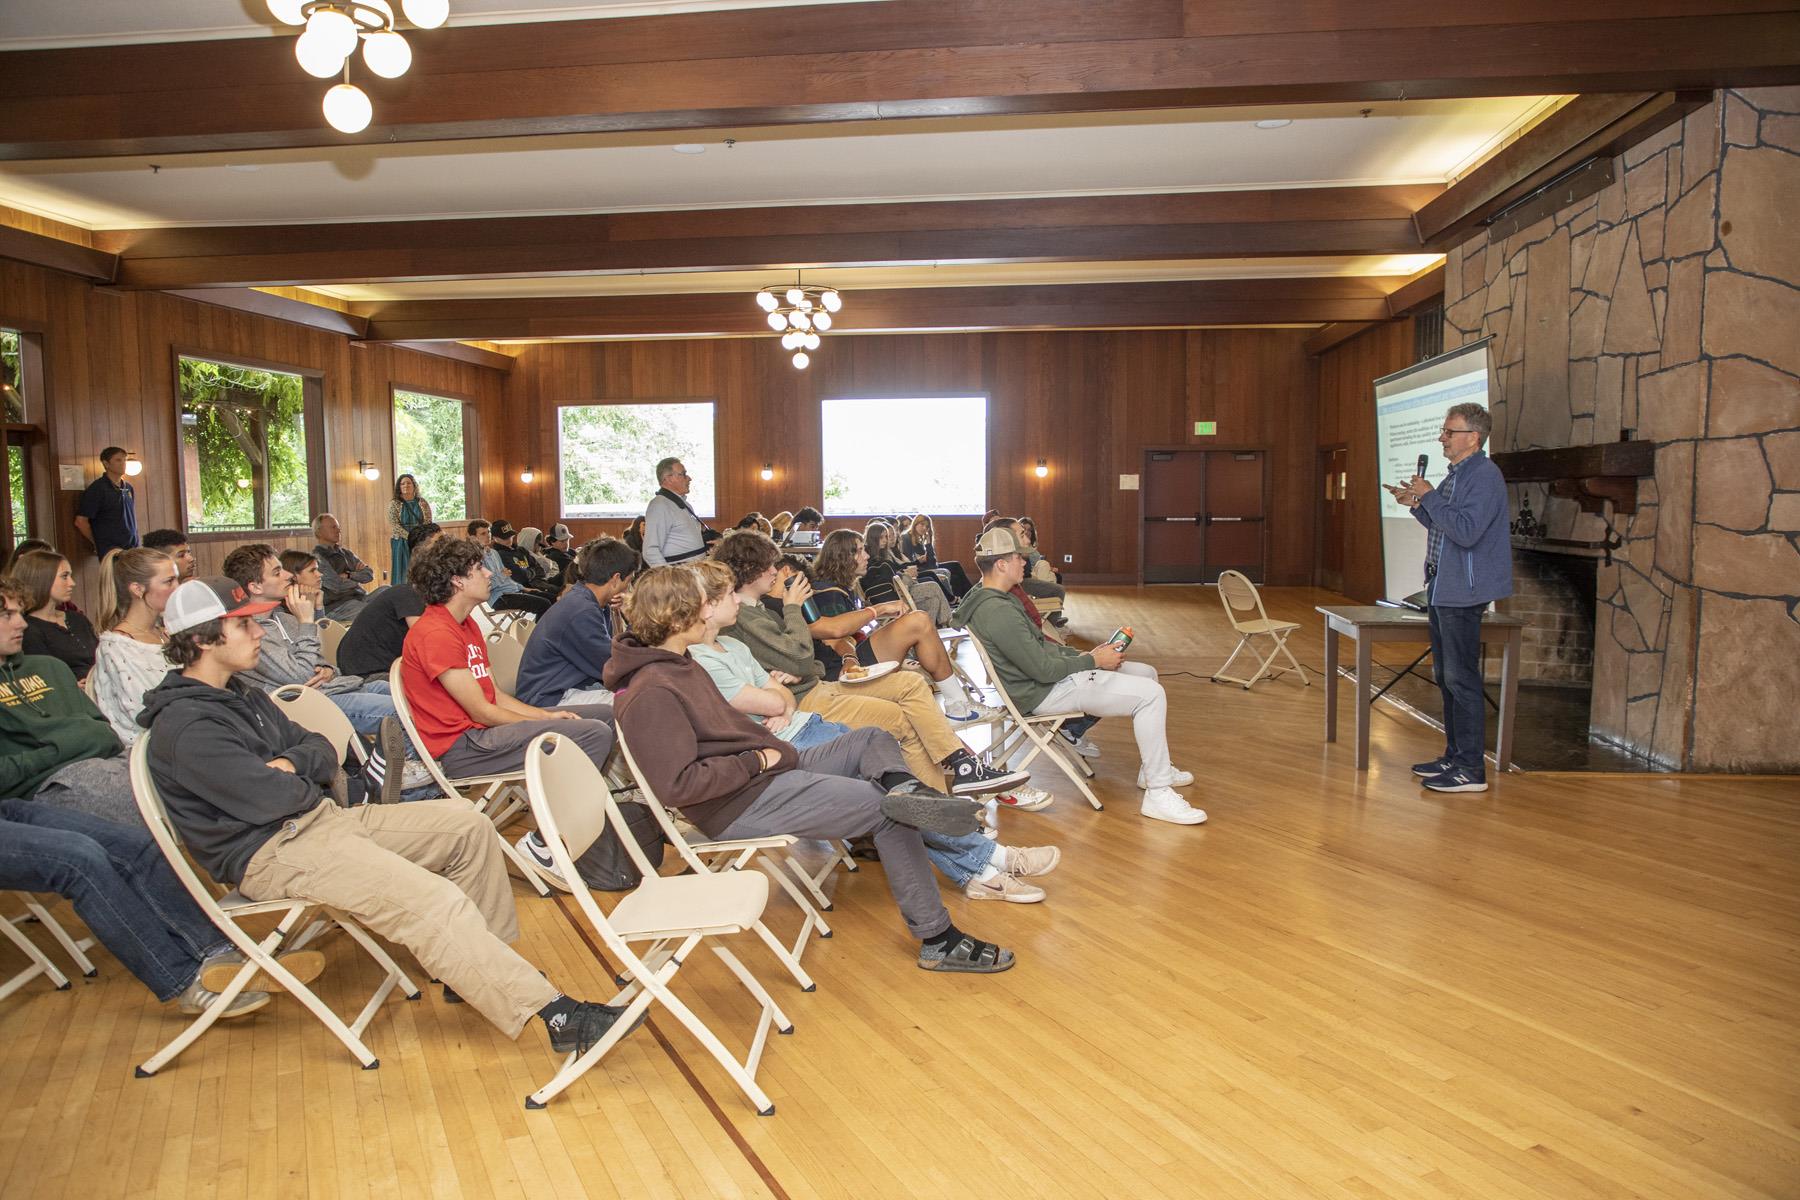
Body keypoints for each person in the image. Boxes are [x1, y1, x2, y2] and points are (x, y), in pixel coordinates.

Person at [140, 575, 641, 1058]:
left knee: (468, 825)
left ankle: (477, 972)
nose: (258, 632)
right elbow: (272, 798)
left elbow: (321, 747)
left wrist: (294, 763)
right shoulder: (187, 727)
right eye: (244, 624)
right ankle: (556, 1015)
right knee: (430, 898)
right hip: (273, 851)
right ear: (202, 640)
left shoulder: (240, 695)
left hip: (318, 819)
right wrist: (301, 770)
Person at [604, 566, 1016, 972]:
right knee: (888, 811)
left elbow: (734, 729)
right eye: (703, 604)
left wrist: (767, 752)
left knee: (870, 739)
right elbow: (678, 786)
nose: (711, 610)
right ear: (677, 616)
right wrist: (756, 759)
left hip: (764, 774)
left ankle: (909, 791)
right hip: (736, 802)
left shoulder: (678, 663)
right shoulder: (652, 690)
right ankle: (938, 939)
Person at [688, 559, 1057, 901]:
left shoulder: (731, 644)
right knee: (889, 791)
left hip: (806, 723)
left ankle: (977, 851)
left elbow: (785, 695)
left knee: (897, 774)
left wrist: (780, 696)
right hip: (791, 744)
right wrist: (779, 689)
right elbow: (786, 682)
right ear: (707, 607)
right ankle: (992, 859)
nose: (736, 599)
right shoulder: (703, 660)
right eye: (729, 594)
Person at [712, 531, 1031, 798]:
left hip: (819, 684)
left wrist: (823, 662)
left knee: (911, 683)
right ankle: (939, 804)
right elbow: (802, 655)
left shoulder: (759, 610)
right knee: (903, 719)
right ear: (752, 570)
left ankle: (961, 766)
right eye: (770, 565)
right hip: (809, 699)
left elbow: (806, 658)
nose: (775, 571)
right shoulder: (754, 615)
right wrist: (794, 608)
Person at [398, 536, 618, 884]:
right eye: (478, 568)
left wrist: (545, 716)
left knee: (607, 715)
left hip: (482, 735)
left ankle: (582, 817)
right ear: (457, 581)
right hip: (462, 747)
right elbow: (482, 711)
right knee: (592, 733)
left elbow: (495, 696)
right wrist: (548, 719)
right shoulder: (435, 633)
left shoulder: (465, 625)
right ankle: (544, 844)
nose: (490, 573)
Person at [955, 525, 1205, 826]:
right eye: (1020, 557)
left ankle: (1153, 770)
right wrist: (1092, 660)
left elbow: (1041, 651)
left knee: (1147, 674)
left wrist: (1087, 656)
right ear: (1001, 564)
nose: (1025, 562)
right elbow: (1043, 670)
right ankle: (1159, 792)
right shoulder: (997, 611)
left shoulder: (996, 597)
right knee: (1151, 695)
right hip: (1044, 693)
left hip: (1050, 682)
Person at [1388, 401, 1512, 795]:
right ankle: (1454, 756)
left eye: (1448, 431)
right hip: (1443, 586)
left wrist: (1429, 496)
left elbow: (1467, 531)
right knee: (1445, 676)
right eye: (1443, 431)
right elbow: (1442, 523)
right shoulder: (1457, 474)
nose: (1441, 438)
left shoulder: (1484, 476)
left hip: (1463, 591)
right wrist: (1416, 503)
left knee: (1461, 679)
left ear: (1472, 438)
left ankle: (1471, 769)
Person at [808, 530, 992, 720]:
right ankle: (957, 704)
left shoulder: (839, 586)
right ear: (843, 557)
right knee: (918, 621)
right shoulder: (827, 593)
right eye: (860, 551)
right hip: (841, 668)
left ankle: (958, 703)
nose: (867, 556)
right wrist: (878, 610)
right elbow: (834, 638)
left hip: (851, 657)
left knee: (919, 622)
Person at [0, 578, 136, 825]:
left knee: (179, 786)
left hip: (108, 764)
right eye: (7, 615)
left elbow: (106, 736)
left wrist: (59, 746)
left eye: (19, 612)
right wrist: (62, 748)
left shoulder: (52, 667)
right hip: (47, 787)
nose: (22, 623)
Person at [514, 536, 636, 709]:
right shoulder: (581, 610)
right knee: (637, 702)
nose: (628, 589)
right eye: (629, 582)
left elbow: (611, 654)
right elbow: (613, 667)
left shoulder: (589, 601)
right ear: (616, 579)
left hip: (569, 684)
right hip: (549, 697)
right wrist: (634, 620)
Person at [90, 547, 180, 745]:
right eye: (169, 581)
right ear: (138, 589)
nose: (177, 588)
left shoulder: (167, 633)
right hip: (151, 743)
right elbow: (142, 712)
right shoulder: (117, 646)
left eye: (177, 579)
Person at [334, 523, 437, 679]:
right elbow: (429, 645)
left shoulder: (418, 595)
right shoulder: (409, 594)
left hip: (381, 667)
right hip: (367, 673)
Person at [12, 549, 99, 680]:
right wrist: (73, 685)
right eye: (64, 576)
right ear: (42, 579)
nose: (72, 583)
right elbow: (43, 676)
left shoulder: (77, 618)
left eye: (70, 576)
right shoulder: (29, 629)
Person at [861, 520, 951, 625]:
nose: (885, 540)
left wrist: (905, 572)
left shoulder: (883, 554)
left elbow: (896, 570)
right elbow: (887, 577)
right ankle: (950, 621)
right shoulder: (869, 558)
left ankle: (926, 630)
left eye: (886, 537)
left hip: (900, 589)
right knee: (933, 586)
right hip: (892, 596)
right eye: (881, 537)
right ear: (873, 538)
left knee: (933, 600)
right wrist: (904, 574)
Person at [467, 520, 551, 617]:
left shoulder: (494, 553)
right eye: (483, 533)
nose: (488, 535)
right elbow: (485, 586)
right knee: (544, 604)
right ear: (473, 538)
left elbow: (508, 578)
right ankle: (541, 627)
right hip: (499, 597)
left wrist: (523, 588)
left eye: (489, 532)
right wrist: (502, 575)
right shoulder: (475, 559)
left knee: (551, 598)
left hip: (513, 590)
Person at [641, 457, 715, 567]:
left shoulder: (682, 504)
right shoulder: (659, 505)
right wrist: (667, 576)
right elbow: (650, 551)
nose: (689, 478)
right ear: (669, 478)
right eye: (683, 474)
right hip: (679, 574)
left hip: (694, 571)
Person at [311, 513, 380, 621]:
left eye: (338, 527)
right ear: (319, 532)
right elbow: (336, 585)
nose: (338, 530)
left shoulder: (347, 553)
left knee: (388, 591)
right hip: (338, 606)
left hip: (360, 598)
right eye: (333, 527)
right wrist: (357, 577)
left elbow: (369, 575)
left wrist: (349, 575)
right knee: (371, 611)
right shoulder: (317, 558)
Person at [73, 447, 138, 559]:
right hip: (111, 550)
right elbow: (80, 521)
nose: (123, 464)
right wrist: (97, 543)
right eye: (118, 460)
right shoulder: (98, 489)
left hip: (131, 547)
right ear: (106, 463)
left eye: (125, 460)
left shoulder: (128, 488)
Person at [897, 513, 971, 599]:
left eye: (927, 527)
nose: (924, 528)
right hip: (920, 570)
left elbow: (933, 564)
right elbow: (911, 564)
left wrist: (928, 544)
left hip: (927, 567)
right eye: (922, 524)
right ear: (915, 524)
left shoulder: (920, 538)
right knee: (954, 576)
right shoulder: (906, 538)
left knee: (955, 566)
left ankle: (967, 596)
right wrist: (921, 560)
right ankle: (965, 596)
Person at [489, 521, 560, 601]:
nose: (509, 540)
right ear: (494, 538)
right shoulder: (499, 554)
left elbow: (540, 570)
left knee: (563, 589)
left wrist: (528, 573)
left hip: (538, 582)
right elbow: (520, 576)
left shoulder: (521, 550)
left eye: (510, 536)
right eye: (505, 538)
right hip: (524, 588)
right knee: (555, 598)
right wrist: (532, 571)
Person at [387, 473, 433, 589]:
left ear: (414, 485)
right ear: (399, 487)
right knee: (403, 570)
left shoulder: (422, 503)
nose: (406, 485)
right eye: (402, 484)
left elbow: (428, 521)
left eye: (408, 483)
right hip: (401, 541)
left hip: (420, 540)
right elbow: (395, 525)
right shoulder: (395, 503)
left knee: (421, 568)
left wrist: (421, 537)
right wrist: (410, 537)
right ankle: (402, 592)